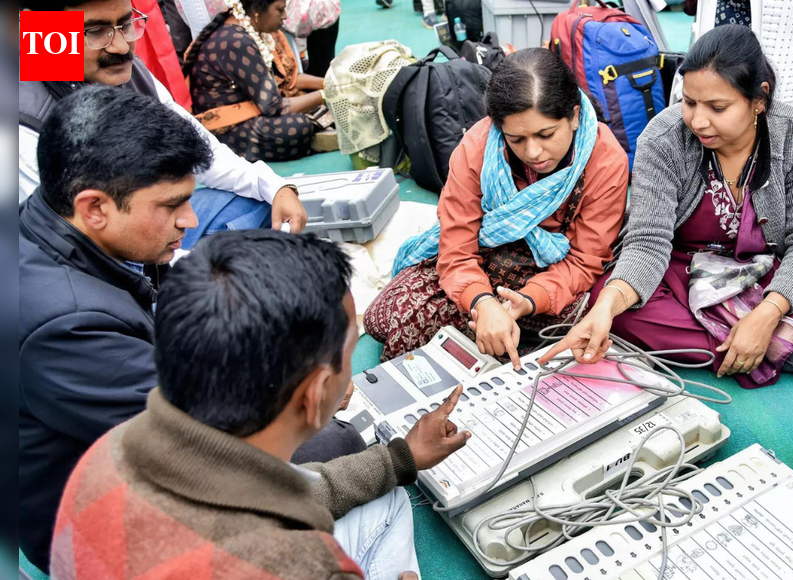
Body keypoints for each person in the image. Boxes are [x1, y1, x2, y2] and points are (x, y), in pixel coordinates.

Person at [17, 87, 351, 573]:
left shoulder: (64, 227)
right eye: (172, 205)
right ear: (95, 208)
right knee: (339, 444)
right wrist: (299, 380)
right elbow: (200, 434)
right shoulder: (66, 326)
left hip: (118, 447)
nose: (189, 221)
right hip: (92, 526)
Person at [50, 229, 471, 580]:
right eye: (347, 350)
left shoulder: (111, 447)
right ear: (317, 391)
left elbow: (283, 489)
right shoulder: (302, 566)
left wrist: (401, 458)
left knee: (387, 495)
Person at [542, 26, 793, 388]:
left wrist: (769, 312)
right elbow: (647, 244)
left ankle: (752, 342)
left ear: (759, 99)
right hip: (682, 273)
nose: (698, 121)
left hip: (759, 273)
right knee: (617, 307)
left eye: (718, 107)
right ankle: (783, 350)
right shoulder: (663, 139)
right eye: (689, 102)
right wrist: (605, 310)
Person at [363, 48, 629, 367]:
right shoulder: (478, 148)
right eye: (516, 139)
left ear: (573, 117)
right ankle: (496, 334)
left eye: (546, 134)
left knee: (600, 317)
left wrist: (527, 301)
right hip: (484, 261)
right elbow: (457, 247)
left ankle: (494, 337)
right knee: (385, 318)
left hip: (553, 276)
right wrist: (482, 301)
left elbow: (585, 260)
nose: (533, 152)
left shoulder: (605, 159)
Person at [17, 0, 308, 239]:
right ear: (44, 31)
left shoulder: (133, 75)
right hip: (93, 264)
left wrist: (275, 186)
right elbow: (62, 243)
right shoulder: (22, 119)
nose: (120, 47)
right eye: (95, 31)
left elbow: (203, 149)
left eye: (125, 24)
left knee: (262, 205)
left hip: (145, 230)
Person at [184, 0, 334, 162]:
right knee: (297, 127)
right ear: (257, 11)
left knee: (316, 108)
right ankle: (313, 133)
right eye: (280, 10)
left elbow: (287, 81)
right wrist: (327, 93)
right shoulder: (236, 40)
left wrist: (330, 82)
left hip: (255, 109)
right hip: (224, 128)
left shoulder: (254, 30)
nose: (284, 16)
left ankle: (316, 131)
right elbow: (274, 107)